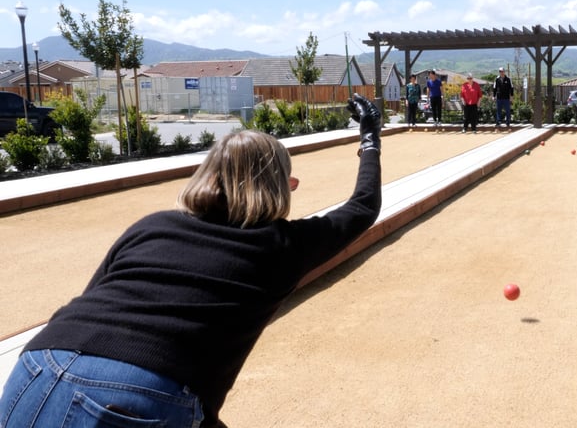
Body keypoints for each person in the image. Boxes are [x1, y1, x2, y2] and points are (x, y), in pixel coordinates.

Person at [0, 95, 383, 428]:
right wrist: (370, 138)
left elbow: (90, 299)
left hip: (36, 366)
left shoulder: (152, 225)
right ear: (280, 186)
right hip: (142, 390)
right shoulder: (281, 245)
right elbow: (362, 207)